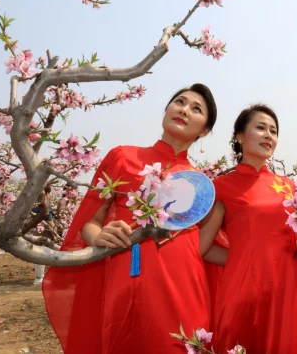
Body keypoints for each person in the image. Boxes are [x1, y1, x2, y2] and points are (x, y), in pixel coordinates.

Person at [42, 84, 218, 354]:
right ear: (167, 110)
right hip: (130, 278)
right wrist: (96, 236)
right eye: (179, 101)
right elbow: (91, 220)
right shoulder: (123, 157)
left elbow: (201, 245)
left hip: (186, 285)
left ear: (204, 130)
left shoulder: (201, 184)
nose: (184, 109)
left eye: (196, 109)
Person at [200, 104, 297, 354]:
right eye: (260, 128)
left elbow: (292, 246)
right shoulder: (222, 186)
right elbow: (203, 248)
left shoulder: (289, 186)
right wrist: (242, 261)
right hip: (244, 291)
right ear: (240, 136)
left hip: (287, 292)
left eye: (273, 131)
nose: (269, 135)